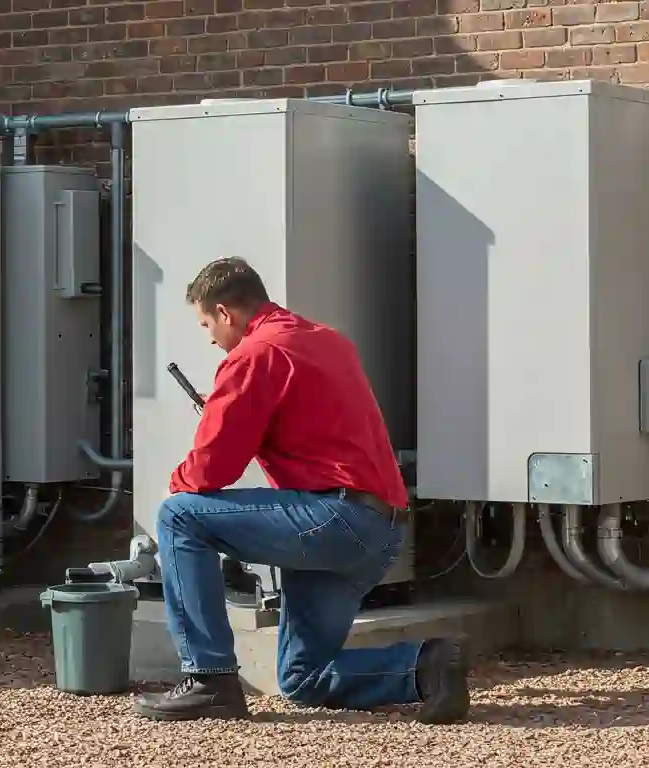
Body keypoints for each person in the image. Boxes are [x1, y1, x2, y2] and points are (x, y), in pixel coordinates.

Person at [130, 257, 470, 725]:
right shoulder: (325, 340)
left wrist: (191, 463)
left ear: (226, 313)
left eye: (206, 322)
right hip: (380, 528)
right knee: (302, 679)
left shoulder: (253, 354)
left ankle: (208, 679)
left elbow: (211, 469)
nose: (209, 337)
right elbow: (309, 424)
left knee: (179, 515)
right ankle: (426, 664)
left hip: (337, 518)